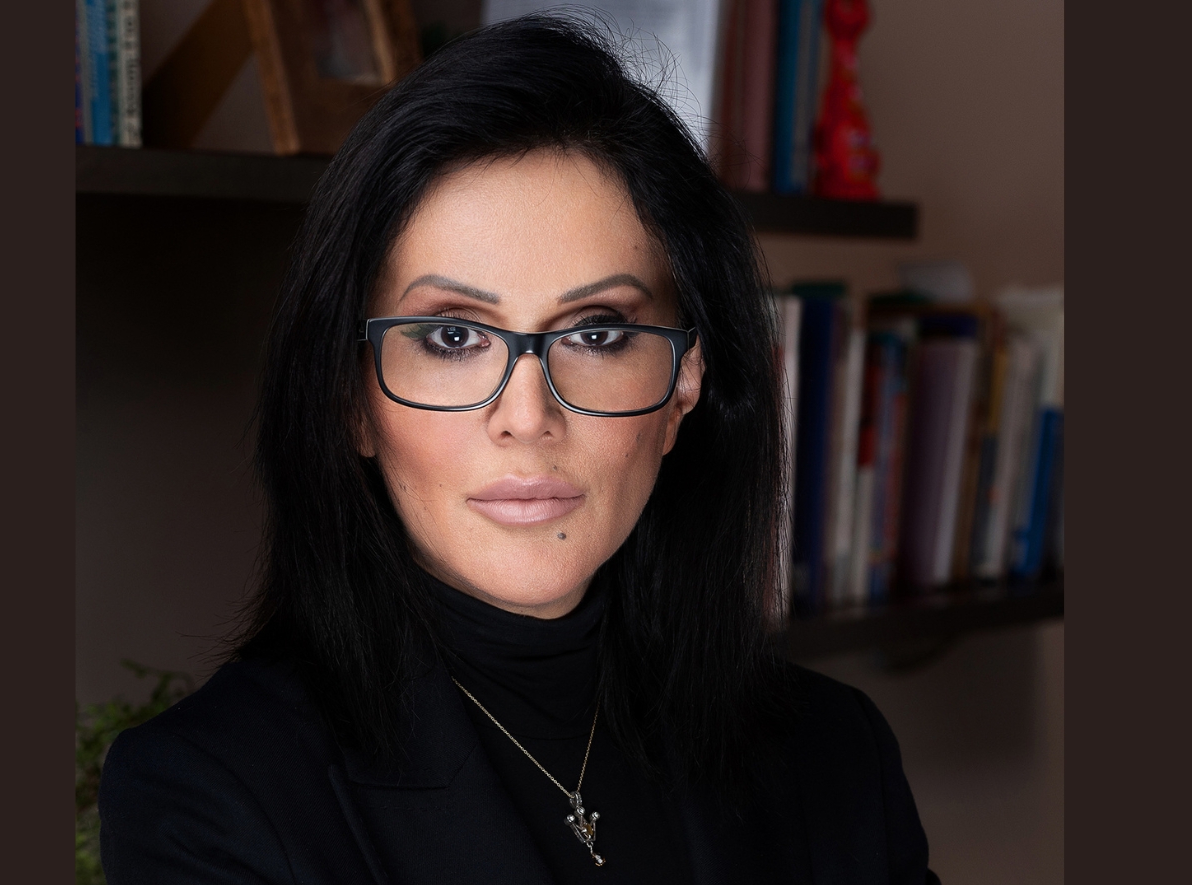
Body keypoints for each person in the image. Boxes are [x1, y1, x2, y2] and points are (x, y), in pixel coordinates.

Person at [100, 14, 938, 885]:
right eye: (454, 336)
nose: (528, 416)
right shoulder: (209, 795)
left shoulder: (838, 753)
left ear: (686, 382)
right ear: (352, 398)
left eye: (597, 332)